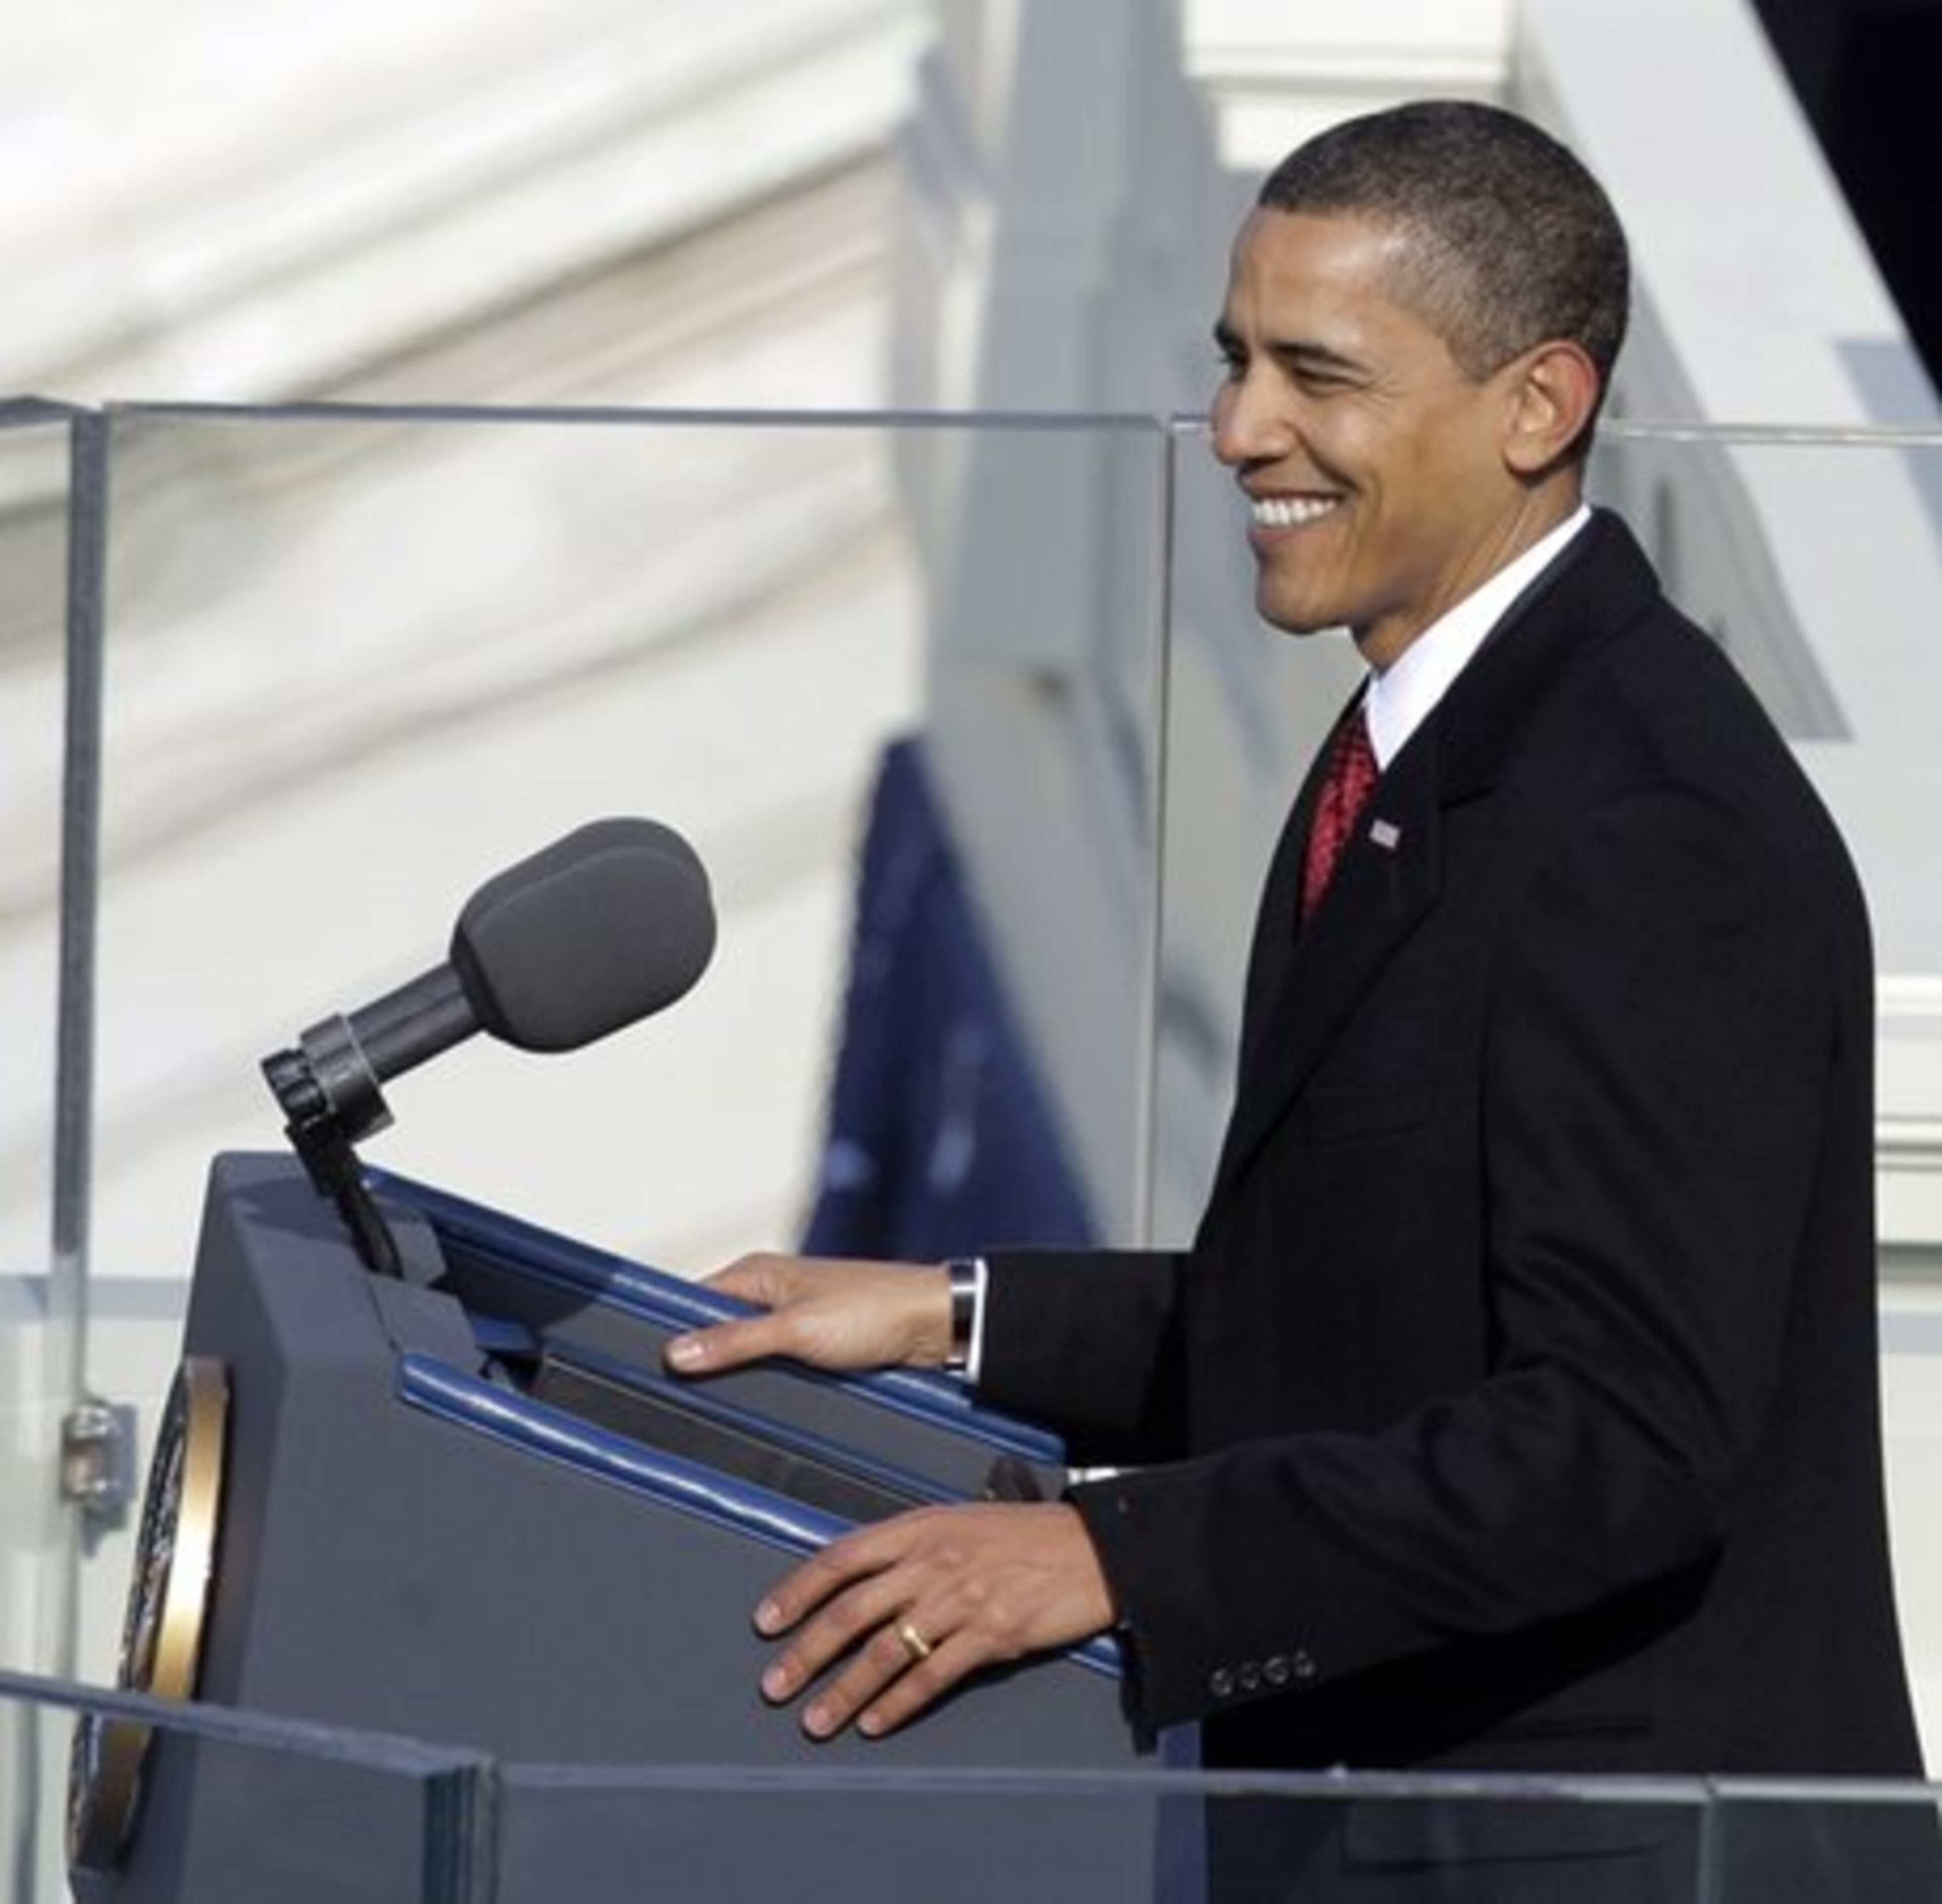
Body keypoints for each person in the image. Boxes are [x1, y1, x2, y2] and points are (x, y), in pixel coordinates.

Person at [666, 100, 1932, 1897]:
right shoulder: (1426, 744)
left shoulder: (1648, 826)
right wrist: (950, 1313)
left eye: (1316, 376)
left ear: (1538, 406)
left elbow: (1622, 1442)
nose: (1241, 430)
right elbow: (1362, 1326)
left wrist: (1116, 1563)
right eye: (1236, 361)